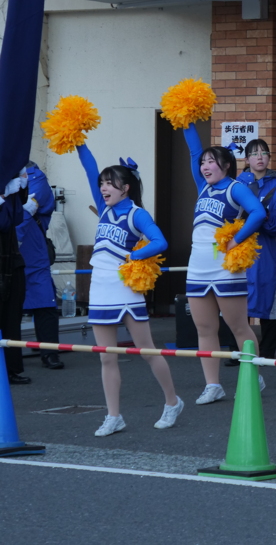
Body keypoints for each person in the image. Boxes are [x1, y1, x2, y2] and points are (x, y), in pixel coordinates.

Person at [74, 146, 183, 436]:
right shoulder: (105, 206)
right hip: (99, 287)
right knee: (106, 356)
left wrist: (133, 257)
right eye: (102, 183)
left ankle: (172, 402)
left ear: (126, 188)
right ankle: (114, 416)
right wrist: (78, 138)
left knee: (147, 351)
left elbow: (160, 242)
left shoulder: (136, 214)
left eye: (110, 183)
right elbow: (89, 167)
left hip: (125, 288)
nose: (103, 187)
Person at [179, 123, 267, 404]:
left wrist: (236, 239)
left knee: (238, 326)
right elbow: (193, 150)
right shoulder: (202, 187)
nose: (205, 166)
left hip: (226, 268)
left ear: (226, 166)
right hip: (197, 266)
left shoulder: (236, 189)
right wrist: (186, 119)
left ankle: (254, 375)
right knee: (204, 328)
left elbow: (258, 213)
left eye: (212, 162)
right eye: (204, 162)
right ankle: (212, 384)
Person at [235, 140, 276, 360]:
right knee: (237, 298)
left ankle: (268, 352)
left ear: (269, 158)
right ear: (246, 159)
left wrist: (263, 218)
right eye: (254, 153)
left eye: (264, 153)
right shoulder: (236, 185)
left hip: (269, 250)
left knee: (269, 298)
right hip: (240, 250)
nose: (259, 157)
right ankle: (240, 351)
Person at [17, 162, 62, 370]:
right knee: (8, 309)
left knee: (45, 303)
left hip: (32, 252)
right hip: (8, 253)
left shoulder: (36, 176)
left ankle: (50, 353)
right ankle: (10, 360)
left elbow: (27, 211)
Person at [1, 174, 28, 385]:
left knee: (12, 318)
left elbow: (16, 216)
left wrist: (19, 188)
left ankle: (11, 369)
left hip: (10, 260)